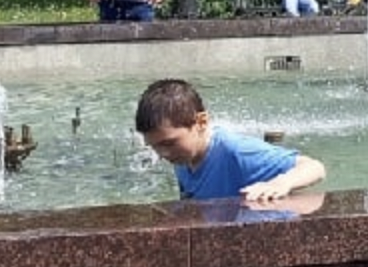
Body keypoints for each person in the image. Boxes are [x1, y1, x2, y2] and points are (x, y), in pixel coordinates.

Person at [134, 78, 327, 202]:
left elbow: (314, 167)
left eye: (169, 143)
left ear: (201, 122)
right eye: (155, 146)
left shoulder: (236, 151)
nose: (163, 154)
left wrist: (280, 183)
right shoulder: (183, 156)